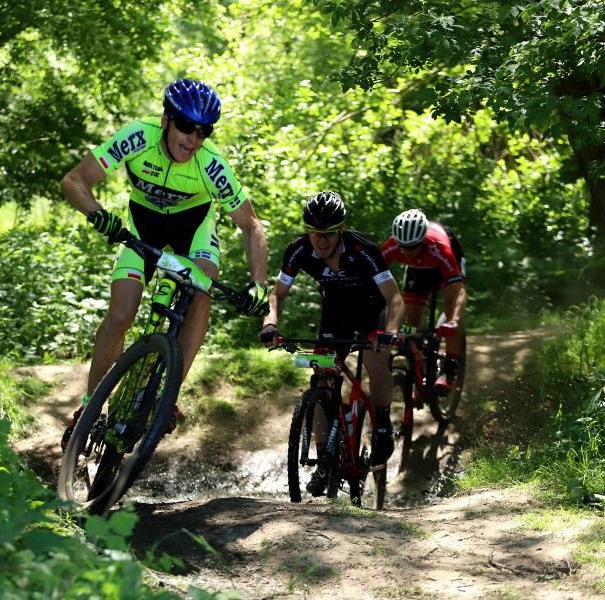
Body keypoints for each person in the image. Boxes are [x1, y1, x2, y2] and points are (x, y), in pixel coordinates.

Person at [59, 78, 270, 450]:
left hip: (193, 231)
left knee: (202, 293)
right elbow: (74, 180)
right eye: (186, 126)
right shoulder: (137, 137)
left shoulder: (210, 164)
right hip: (143, 228)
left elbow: (251, 225)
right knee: (122, 312)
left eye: (203, 131)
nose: (193, 139)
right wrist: (98, 214)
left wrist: (258, 283)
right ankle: (90, 407)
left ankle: (166, 397)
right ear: (166, 120)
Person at [259, 191, 404, 496]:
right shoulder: (298, 250)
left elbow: (394, 298)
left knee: (377, 362)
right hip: (335, 314)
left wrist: (389, 332)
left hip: (371, 311)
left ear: (340, 229)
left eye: (327, 234)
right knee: (322, 378)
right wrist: (270, 323)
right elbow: (277, 295)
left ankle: (381, 422)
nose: (320, 241)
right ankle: (325, 459)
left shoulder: (362, 249)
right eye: (314, 233)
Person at [380, 209, 467, 393]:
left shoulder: (440, 249)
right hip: (418, 269)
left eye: (411, 247)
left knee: (451, 306)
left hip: (444, 264)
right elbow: (371, 277)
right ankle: (417, 369)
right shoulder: (394, 245)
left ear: (423, 241)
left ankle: (450, 367)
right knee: (412, 321)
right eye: (402, 246)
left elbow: (459, 292)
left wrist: (454, 321)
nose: (406, 251)